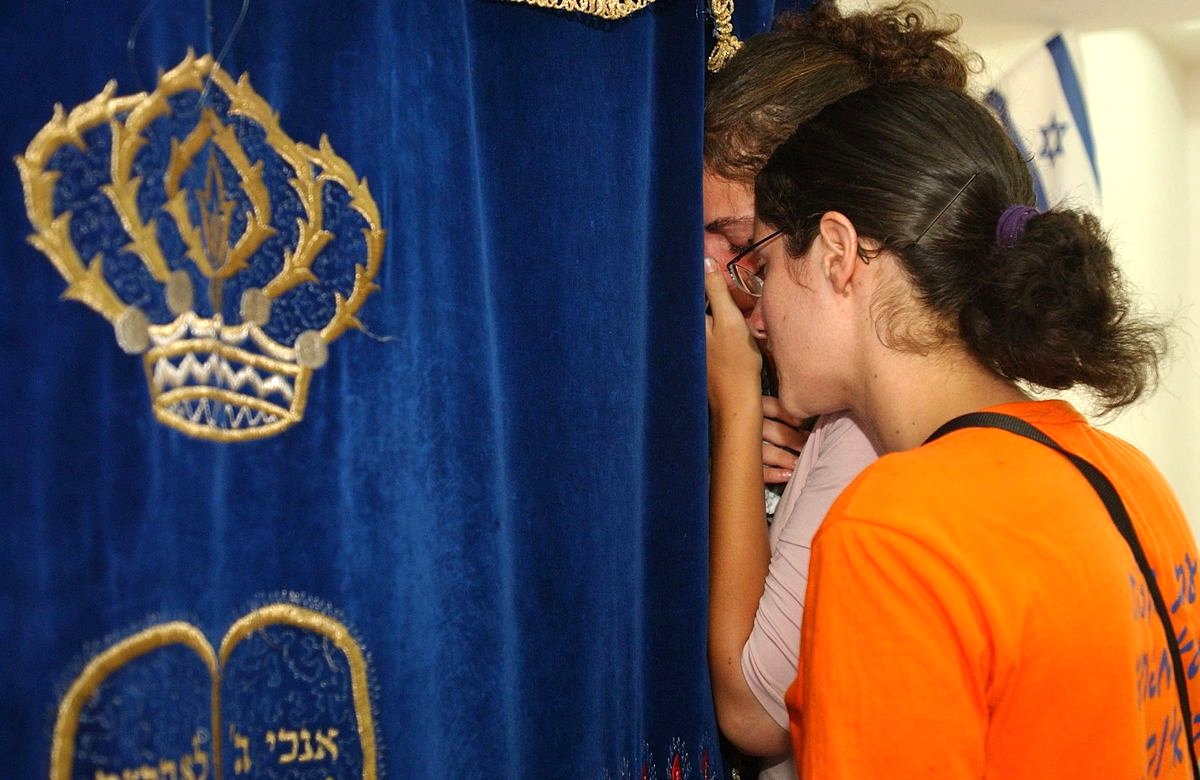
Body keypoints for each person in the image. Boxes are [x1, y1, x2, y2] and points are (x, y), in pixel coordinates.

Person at [706, 80, 1200, 777]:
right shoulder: (1129, 476)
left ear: (837, 254)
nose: (758, 311)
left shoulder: (891, 530)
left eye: (762, 263)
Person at [701, 4, 974, 777]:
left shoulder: (874, 443)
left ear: (832, 240)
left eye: (742, 239)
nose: (718, 273)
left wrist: (736, 417)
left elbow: (758, 714)